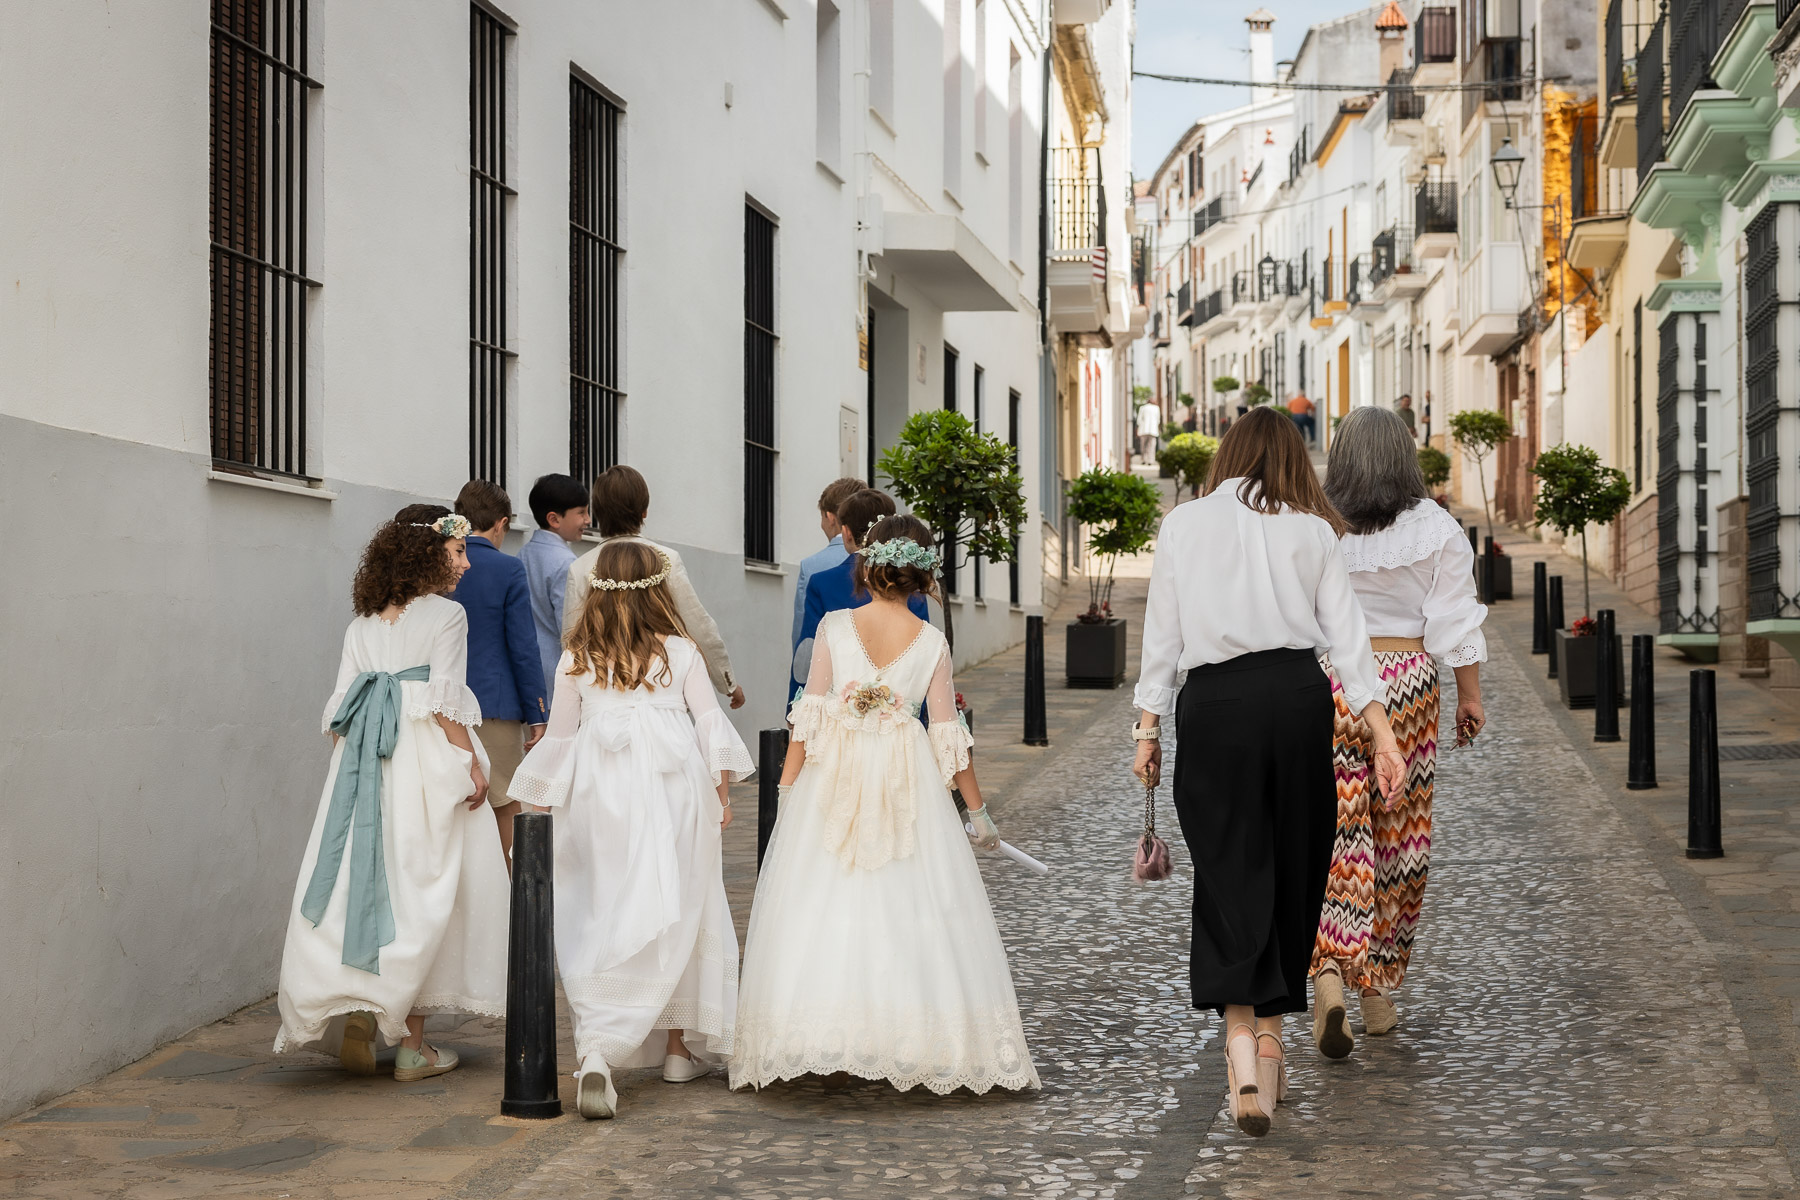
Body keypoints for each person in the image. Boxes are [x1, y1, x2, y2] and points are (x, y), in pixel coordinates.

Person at [1131, 406, 1405, 1138]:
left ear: (1229, 453)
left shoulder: (1185, 524)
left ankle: (1242, 1048)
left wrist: (1148, 726)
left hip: (1216, 704)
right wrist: (1381, 735)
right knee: (1294, 866)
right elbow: (1349, 643)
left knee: (1229, 870)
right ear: (1291, 458)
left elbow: (1163, 633)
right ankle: (1275, 1046)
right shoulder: (1314, 532)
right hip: (1297, 700)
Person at [732, 515, 1039, 1096]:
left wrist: (788, 788)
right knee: (911, 900)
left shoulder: (834, 625)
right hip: (907, 775)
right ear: (922, 574)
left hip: (835, 775)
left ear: (865, 565)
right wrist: (978, 814)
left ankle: (824, 1036)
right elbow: (951, 739)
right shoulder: (932, 643)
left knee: (827, 898)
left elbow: (811, 714)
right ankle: (909, 1036)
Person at [510, 540, 753, 1120]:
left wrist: (539, 805)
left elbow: (561, 739)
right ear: (657, 589)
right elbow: (707, 724)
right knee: (685, 905)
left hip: (600, 794)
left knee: (600, 909)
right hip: (676, 790)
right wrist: (721, 796)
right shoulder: (683, 651)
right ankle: (675, 1051)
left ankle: (598, 1050)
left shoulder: (575, 656)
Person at [273, 505, 509, 1083]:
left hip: (365, 763)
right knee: (428, 886)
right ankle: (411, 1044)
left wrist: (346, 778)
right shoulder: (447, 617)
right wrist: (472, 766)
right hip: (425, 758)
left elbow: (338, 715)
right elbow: (447, 701)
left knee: (362, 879)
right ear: (427, 555)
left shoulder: (361, 626)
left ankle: (362, 1007)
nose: (465, 565)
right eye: (456, 553)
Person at [1309, 406, 1486, 1057]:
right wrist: (1469, 698)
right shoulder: (1436, 528)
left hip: (1330, 684)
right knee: (1399, 835)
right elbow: (1455, 623)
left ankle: (1329, 965)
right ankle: (1376, 986)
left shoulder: (1316, 522)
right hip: (1407, 685)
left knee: (1334, 829)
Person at [565, 466, 744, 709]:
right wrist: (727, 682)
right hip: (660, 686)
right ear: (644, 511)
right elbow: (698, 625)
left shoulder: (581, 567)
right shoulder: (666, 559)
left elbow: (572, 640)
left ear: (597, 512)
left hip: (602, 693)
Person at [452, 480, 548, 865]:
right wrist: (537, 712)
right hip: (494, 704)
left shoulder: (435, 563)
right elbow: (523, 646)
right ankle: (512, 898)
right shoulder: (509, 568)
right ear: (501, 523)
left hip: (443, 704)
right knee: (504, 802)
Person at [789, 488, 929, 702]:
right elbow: (922, 656)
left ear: (846, 532)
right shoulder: (908, 583)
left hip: (839, 708)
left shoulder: (822, 582)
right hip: (901, 707)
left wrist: (795, 708)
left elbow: (807, 651)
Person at [791, 477, 868, 684]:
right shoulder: (893, 563)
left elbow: (805, 641)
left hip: (832, 681)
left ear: (830, 517)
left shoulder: (812, 566)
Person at [518, 473, 589, 695]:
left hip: (528, 670)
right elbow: (571, 629)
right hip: (557, 676)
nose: (587, 520)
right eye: (581, 513)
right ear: (554, 519)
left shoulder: (523, 554)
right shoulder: (566, 563)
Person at [1136, 399, 1163, 464]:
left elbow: (1139, 420)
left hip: (1144, 430)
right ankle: (1150, 460)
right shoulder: (1156, 408)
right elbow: (1158, 420)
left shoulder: (1143, 408)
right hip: (1153, 430)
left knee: (1143, 445)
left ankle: (1144, 459)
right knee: (1151, 446)